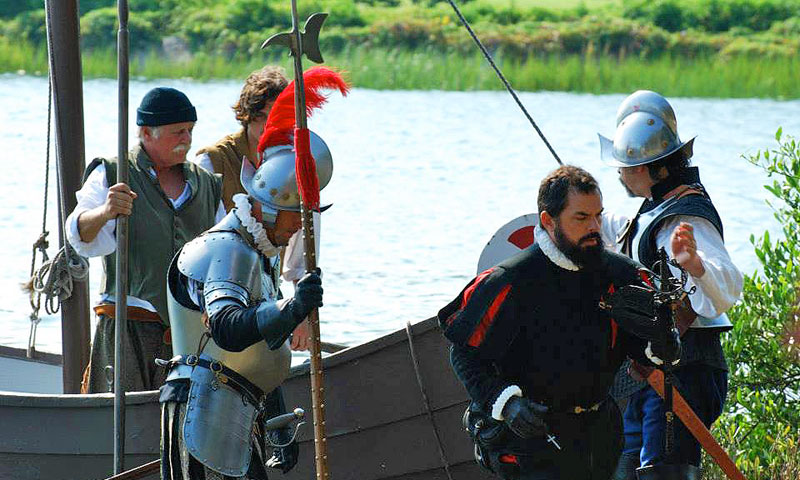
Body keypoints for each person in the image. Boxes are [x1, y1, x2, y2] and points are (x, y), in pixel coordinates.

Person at [438, 166, 680, 480]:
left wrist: (661, 343)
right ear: (548, 221)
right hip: (530, 440)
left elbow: (644, 350)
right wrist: (507, 404)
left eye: (598, 216)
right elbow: (464, 355)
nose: (595, 228)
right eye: (581, 218)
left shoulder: (622, 276)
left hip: (599, 437)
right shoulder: (509, 281)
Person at [159, 126, 333, 480]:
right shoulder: (228, 249)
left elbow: (262, 344)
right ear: (267, 209)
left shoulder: (258, 254)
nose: (299, 228)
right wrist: (293, 307)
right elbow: (227, 328)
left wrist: (277, 421)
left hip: (234, 403)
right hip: (203, 405)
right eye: (294, 216)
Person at [598, 90, 743, 477]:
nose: (618, 173)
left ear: (645, 168)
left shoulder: (686, 217)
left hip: (686, 371)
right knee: (626, 469)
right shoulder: (652, 208)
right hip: (650, 373)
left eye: (623, 165)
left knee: (662, 472)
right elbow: (625, 232)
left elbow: (727, 285)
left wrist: (695, 264)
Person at [65, 87, 224, 393]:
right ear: (146, 133)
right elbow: (78, 233)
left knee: (182, 426)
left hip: (189, 330)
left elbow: (221, 252)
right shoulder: (113, 172)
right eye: (178, 131)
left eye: (190, 131)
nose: (187, 139)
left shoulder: (206, 184)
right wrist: (105, 211)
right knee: (118, 423)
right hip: (128, 327)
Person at [193, 65, 318, 352]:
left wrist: (301, 313)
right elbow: (200, 243)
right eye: (261, 117)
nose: (267, 127)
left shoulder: (294, 166)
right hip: (215, 299)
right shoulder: (213, 163)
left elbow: (302, 257)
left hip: (268, 294)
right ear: (247, 117)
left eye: (278, 118)